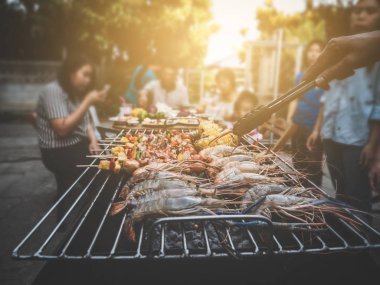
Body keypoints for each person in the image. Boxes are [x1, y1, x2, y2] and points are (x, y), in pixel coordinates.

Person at [306, 0, 380, 212]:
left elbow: (379, 106)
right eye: (357, 11)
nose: (361, 15)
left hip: (358, 140)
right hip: (331, 134)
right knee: (339, 191)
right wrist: (317, 129)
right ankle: (343, 233)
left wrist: (374, 146)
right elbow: (327, 97)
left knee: (357, 195)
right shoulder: (341, 51)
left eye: (370, 11)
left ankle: (359, 241)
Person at [36, 54, 108, 221]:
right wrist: (88, 102)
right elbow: (62, 129)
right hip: (57, 152)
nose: (88, 80)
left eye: (90, 76)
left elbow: (86, 121)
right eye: (85, 74)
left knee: (107, 164)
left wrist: (93, 140)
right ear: (70, 72)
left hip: (76, 145)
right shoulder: (53, 91)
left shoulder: (74, 93)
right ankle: (95, 219)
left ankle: (99, 208)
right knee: (101, 178)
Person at [286, 40, 325, 186]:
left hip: (314, 128)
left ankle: (313, 198)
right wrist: (290, 118)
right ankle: (299, 194)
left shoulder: (326, 76)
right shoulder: (301, 76)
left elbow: (324, 104)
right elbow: (293, 99)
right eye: (311, 50)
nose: (314, 54)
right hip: (297, 125)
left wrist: (317, 129)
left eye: (318, 50)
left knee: (313, 166)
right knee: (298, 161)